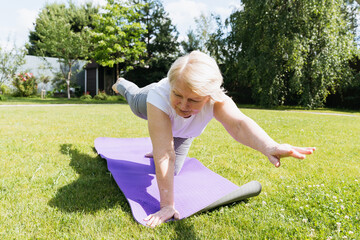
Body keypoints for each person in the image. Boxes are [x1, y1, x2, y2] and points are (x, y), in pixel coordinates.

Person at [112, 51, 315, 228]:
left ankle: (160, 141)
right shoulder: (160, 96)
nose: (183, 105)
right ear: (171, 87)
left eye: (193, 100)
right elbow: (165, 153)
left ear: (208, 97)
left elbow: (239, 124)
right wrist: (167, 205)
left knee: (171, 171)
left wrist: (269, 146)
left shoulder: (216, 100)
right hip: (144, 101)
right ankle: (123, 84)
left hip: (183, 133)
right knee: (135, 99)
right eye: (178, 95)